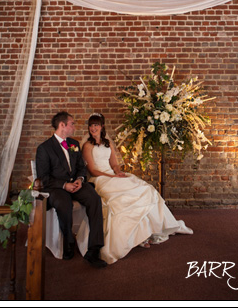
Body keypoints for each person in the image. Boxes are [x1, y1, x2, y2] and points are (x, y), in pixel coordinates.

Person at [81, 112, 193, 265]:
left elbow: (114, 164)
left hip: (112, 176)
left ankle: (146, 233)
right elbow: (92, 170)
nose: (93, 128)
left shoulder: (107, 142)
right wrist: (111, 177)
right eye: (91, 125)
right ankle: (135, 237)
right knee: (121, 201)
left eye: (96, 125)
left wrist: (118, 172)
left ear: (102, 126)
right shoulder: (87, 145)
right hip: (100, 179)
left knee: (146, 190)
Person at [35, 111, 107, 268]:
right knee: (64, 203)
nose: (74, 127)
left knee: (94, 199)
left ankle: (94, 249)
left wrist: (80, 180)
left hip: (76, 184)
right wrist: (64, 185)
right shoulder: (44, 148)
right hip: (56, 188)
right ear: (63, 125)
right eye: (72, 124)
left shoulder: (74, 144)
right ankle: (68, 243)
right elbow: (43, 177)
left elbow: (81, 167)